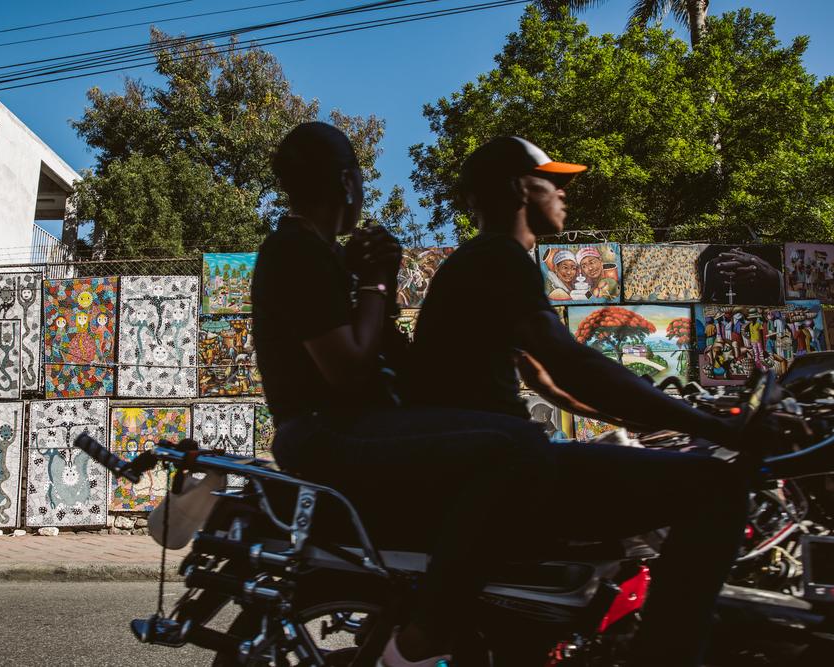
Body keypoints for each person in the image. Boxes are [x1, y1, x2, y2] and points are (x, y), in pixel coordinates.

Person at [407, 136, 752, 667]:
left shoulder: (486, 263)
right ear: (522, 188)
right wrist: (712, 424)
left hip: (488, 467)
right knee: (716, 487)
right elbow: (571, 361)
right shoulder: (499, 258)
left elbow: (544, 378)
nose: (566, 194)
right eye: (555, 182)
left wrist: (625, 418)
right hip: (502, 471)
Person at [253, 123, 560, 667]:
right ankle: (428, 633)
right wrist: (373, 281)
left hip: (344, 427)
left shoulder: (320, 256)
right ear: (348, 183)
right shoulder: (295, 250)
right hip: (327, 431)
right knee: (513, 445)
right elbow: (347, 367)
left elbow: (384, 353)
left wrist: (376, 287)